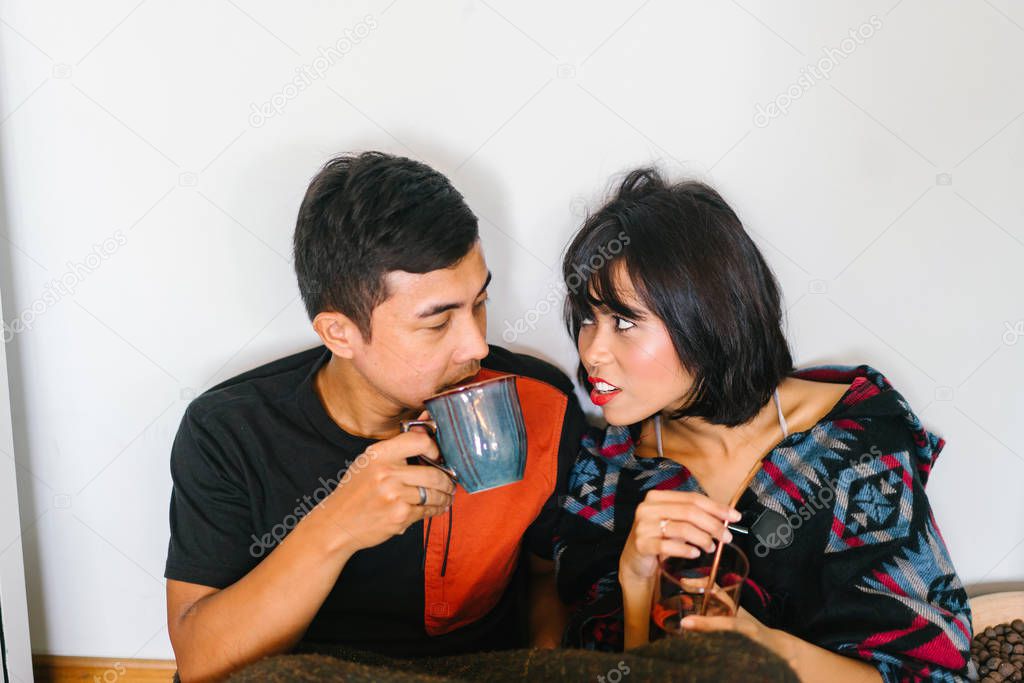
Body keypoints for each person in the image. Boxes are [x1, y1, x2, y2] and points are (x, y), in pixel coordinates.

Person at [163, 152, 586, 681]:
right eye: (437, 323)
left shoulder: (536, 401)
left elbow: (548, 578)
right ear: (339, 333)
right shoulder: (229, 431)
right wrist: (338, 524)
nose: (476, 344)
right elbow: (202, 662)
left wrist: (543, 664)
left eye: (479, 301)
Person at [554, 168, 973, 682]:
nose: (592, 351)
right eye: (588, 318)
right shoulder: (606, 476)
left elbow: (930, 675)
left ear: (706, 316)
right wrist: (637, 582)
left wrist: (763, 646)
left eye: (623, 322)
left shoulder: (856, 444)